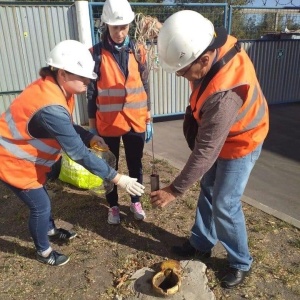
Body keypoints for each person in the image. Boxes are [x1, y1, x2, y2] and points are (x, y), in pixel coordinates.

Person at [150, 10, 269, 289]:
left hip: (243, 140)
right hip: (222, 136)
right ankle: (201, 242)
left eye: (183, 70)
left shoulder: (224, 96)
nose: (181, 76)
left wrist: (173, 190)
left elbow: (206, 151)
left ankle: (240, 261)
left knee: (224, 203)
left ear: (204, 59)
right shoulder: (207, 44)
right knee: (208, 188)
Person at [0, 40, 145, 266]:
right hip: (12, 161)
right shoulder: (50, 104)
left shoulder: (53, 87)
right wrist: (118, 178)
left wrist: (89, 136)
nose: (88, 82)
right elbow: (78, 153)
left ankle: (49, 230)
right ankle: (44, 252)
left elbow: (64, 124)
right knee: (40, 206)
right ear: (63, 73)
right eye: (82, 76)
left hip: (26, 157)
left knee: (43, 197)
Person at [87, 0, 156, 225]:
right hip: (108, 123)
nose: (120, 31)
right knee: (109, 166)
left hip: (135, 121)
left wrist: (148, 117)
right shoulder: (95, 55)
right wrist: (92, 128)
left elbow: (145, 87)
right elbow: (90, 94)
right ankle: (113, 206)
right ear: (106, 25)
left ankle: (136, 201)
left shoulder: (139, 50)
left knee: (135, 164)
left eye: (124, 26)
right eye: (115, 27)